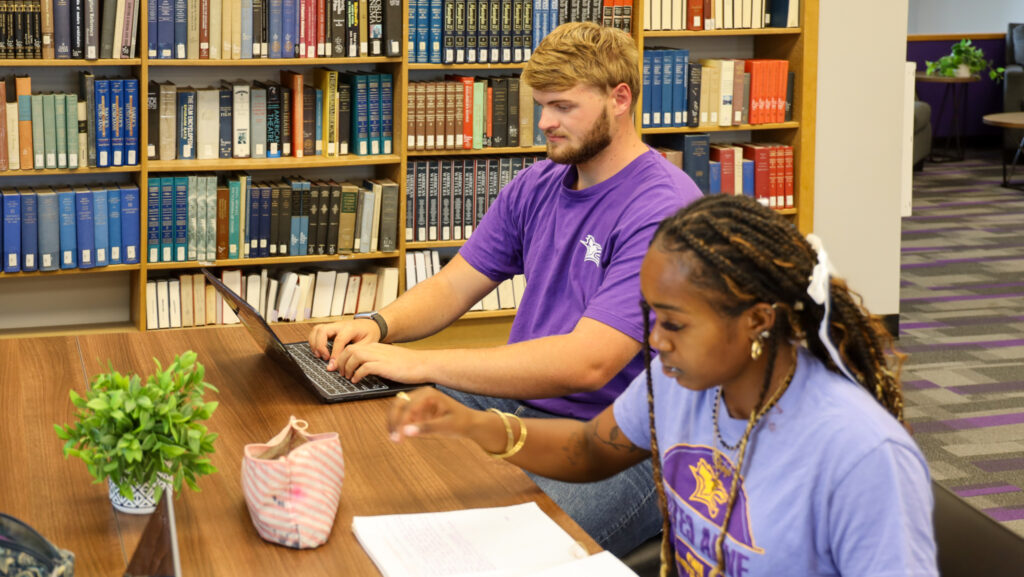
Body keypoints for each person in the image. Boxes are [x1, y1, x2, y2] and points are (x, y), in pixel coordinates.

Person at [387, 194, 938, 577]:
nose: (655, 340)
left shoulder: (863, 454)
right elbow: (587, 450)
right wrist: (475, 424)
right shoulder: (681, 383)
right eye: (651, 317)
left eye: (673, 324)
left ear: (757, 320)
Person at [308, 22, 701, 556]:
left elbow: (587, 364)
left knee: (495, 556)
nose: (545, 122)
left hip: (618, 442)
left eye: (562, 106)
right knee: (365, 428)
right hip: (523, 400)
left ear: (620, 99)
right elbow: (453, 284)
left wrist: (423, 364)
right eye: (541, 105)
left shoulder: (662, 209)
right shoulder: (538, 183)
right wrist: (378, 326)